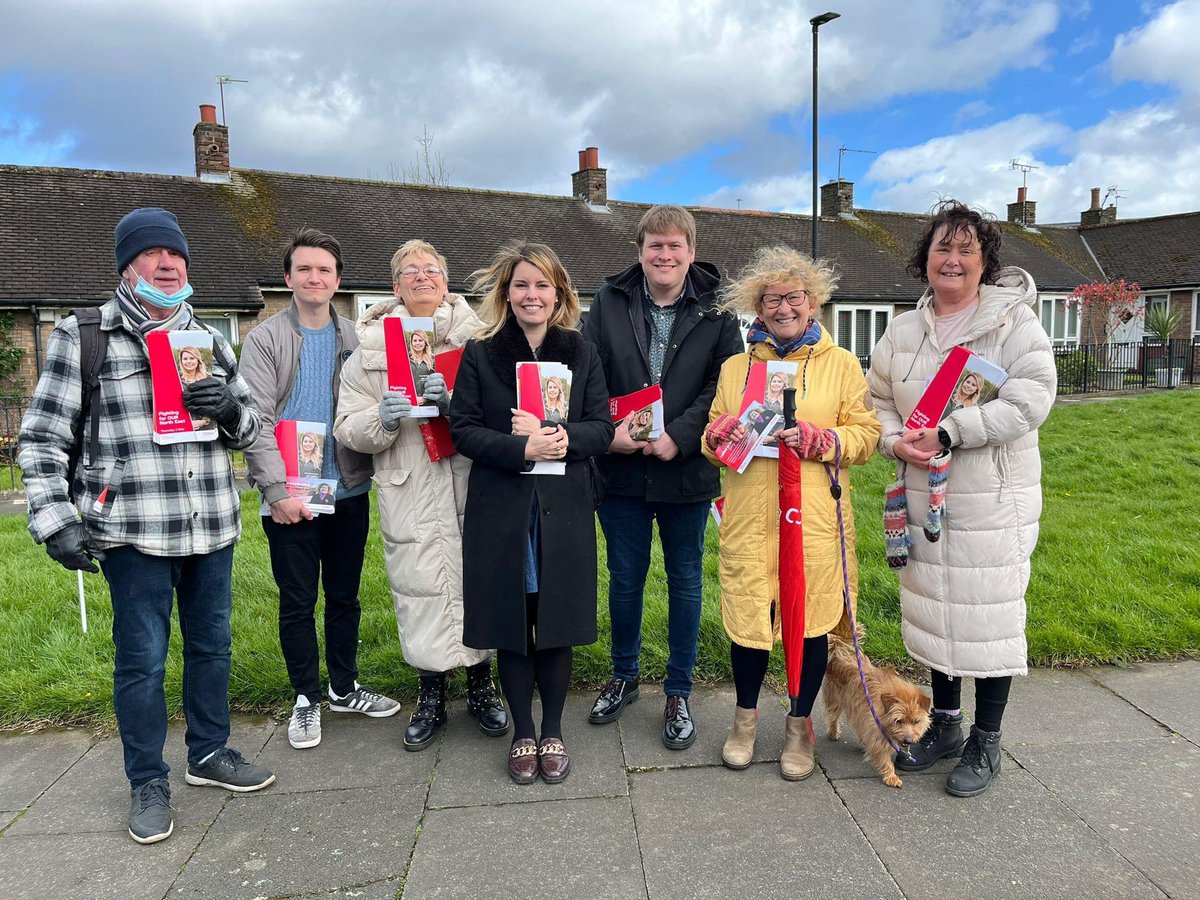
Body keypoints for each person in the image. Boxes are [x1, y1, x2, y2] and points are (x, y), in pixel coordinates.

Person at [18, 207, 274, 845]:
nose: (170, 264)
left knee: (213, 649)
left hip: (211, 523)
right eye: (154, 255)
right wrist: (54, 520)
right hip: (134, 530)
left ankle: (210, 755)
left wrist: (227, 411)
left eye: (178, 256)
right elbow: (44, 437)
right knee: (142, 662)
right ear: (126, 268)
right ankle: (147, 780)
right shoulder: (86, 337)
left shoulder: (207, 339)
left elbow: (250, 427)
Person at [866, 200, 1056, 797]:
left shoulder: (1014, 324)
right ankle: (944, 726)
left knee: (988, 619)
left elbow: (1030, 400)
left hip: (990, 501)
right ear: (925, 258)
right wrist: (899, 442)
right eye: (942, 248)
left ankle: (986, 739)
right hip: (924, 498)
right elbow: (878, 403)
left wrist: (951, 433)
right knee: (935, 613)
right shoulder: (901, 330)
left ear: (984, 261)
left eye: (965, 250)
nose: (952, 260)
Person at [702, 246, 880, 779]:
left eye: (793, 297)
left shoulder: (842, 364)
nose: (783, 307)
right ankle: (744, 722)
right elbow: (712, 431)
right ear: (757, 308)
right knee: (749, 619)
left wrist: (820, 438)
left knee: (811, 622)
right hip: (751, 514)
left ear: (813, 302)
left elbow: (867, 436)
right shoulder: (736, 368)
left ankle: (800, 726)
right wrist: (719, 434)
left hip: (815, 519)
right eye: (771, 299)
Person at [450, 242, 613, 783]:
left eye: (543, 285)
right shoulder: (481, 352)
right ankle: (523, 731)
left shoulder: (581, 351)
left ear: (559, 292)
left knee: (557, 620)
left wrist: (559, 439)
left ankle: (554, 731)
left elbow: (601, 426)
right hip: (504, 509)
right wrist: (521, 449)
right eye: (522, 284)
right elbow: (464, 430)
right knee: (514, 621)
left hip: (563, 508)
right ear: (507, 293)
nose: (532, 295)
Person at [335, 239, 508, 751]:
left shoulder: (482, 340)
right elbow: (347, 426)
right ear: (394, 287)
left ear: (446, 282)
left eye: (431, 269)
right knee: (418, 589)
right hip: (407, 483)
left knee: (477, 581)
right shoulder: (368, 350)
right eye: (409, 271)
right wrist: (380, 419)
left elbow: (506, 412)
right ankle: (430, 692)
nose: (421, 277)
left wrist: (458, 405)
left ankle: (482, 685)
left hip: (470, 479)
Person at [582, 205, 743, 749]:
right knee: (625, 580)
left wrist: (681, 434)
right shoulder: (608, 302)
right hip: (622, 469)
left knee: (685, 581)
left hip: (686, 471)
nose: (664, 255)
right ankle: (624, 677)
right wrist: (611, 431)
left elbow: (727, 385)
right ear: (641, 251)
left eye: (675, 247)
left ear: (691, 253)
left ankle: (678, 690)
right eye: (655, 246)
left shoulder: (719, 311)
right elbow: (590, 370)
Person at [241, 227, 399, 752]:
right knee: (297, 600)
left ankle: (344, 687)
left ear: (338, 279)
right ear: (288, 278)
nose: (315, 277)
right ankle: (306, 698)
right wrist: (276, 491)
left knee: (344, 597)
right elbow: (255, 421)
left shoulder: (356, 339)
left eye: (324, 270)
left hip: (348, 490)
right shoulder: (264, 339)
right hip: (288, 496)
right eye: (304, 269)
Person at [408, 329, 435, 400]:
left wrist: (425, 398)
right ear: (411, 343)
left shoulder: (433, 359)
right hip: (409, 401)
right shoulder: (406, 358)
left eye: (420, 340)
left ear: (425, 342)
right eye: (415, 341)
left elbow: (436, 383)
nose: (417, 343)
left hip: (429, 401)